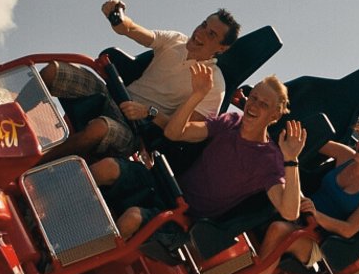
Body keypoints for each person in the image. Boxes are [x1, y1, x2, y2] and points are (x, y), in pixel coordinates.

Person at [98, 66, 305, 238]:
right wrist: (197, 95)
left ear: (274, 115)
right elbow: (174, 132)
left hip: (185, 216)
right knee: (108, 167)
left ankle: (85, 254)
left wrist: (291, 159)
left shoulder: (270, 161)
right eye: (254, 97)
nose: (254, 105)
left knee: (133, 217)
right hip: (166, 185)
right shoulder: (230, 122)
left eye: (264, 104)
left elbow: (289, 212)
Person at [224, 121, 359, 274]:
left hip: (319, 240)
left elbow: (349, 230)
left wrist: (316, 215)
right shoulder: (345, 155)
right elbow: (313, 139)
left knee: (279, 230)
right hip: (298, 212)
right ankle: (219, 259)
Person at [40, 1, 240, 161]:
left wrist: (149, 112)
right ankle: (10, 118)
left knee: (98, 128)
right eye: (204, 25)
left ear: (222, 48)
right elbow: (132, 29)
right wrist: (117, 17)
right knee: (53, 71)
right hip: (115, 95)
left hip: (136, 129)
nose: (200, 32)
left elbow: (179, 130)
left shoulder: (213, 85)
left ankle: (34, 166)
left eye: (211, 34)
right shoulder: (175, 40)